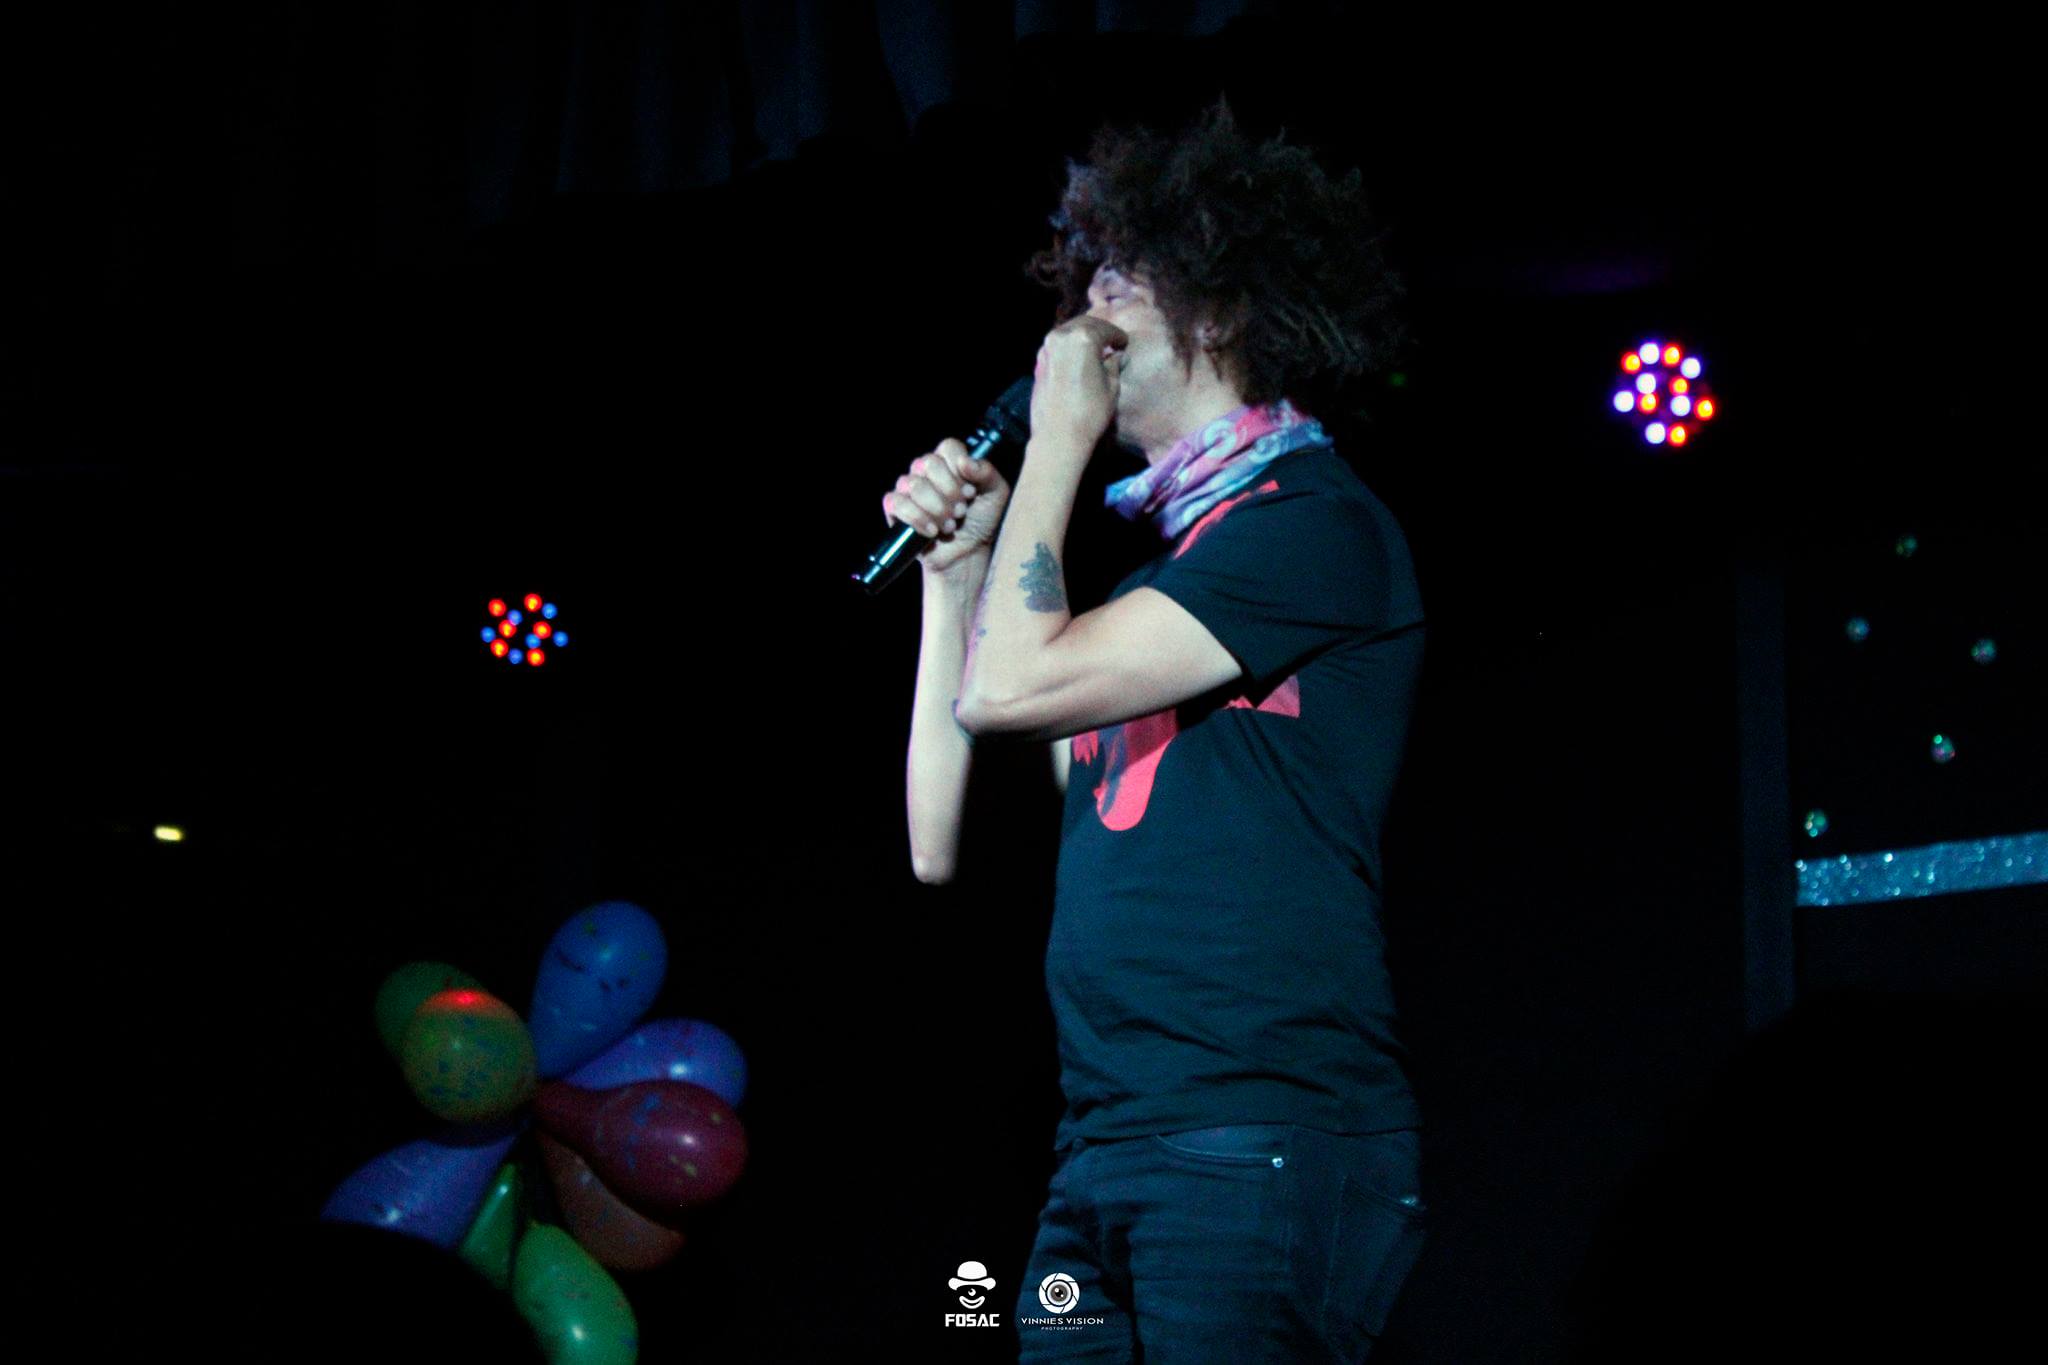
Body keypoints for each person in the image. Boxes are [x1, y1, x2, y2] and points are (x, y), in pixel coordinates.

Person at [887, 95, 1428, 1362]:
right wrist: (953, 577)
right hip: (1105, 1141)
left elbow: (1006, 690)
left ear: (1220, 311)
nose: (1082, 323)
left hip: (1256, 1131)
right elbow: (932, 837)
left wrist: (1056, 446)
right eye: (1082, 292)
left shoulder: (1310, 526)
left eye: (1120, 287)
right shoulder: (1152, 599)